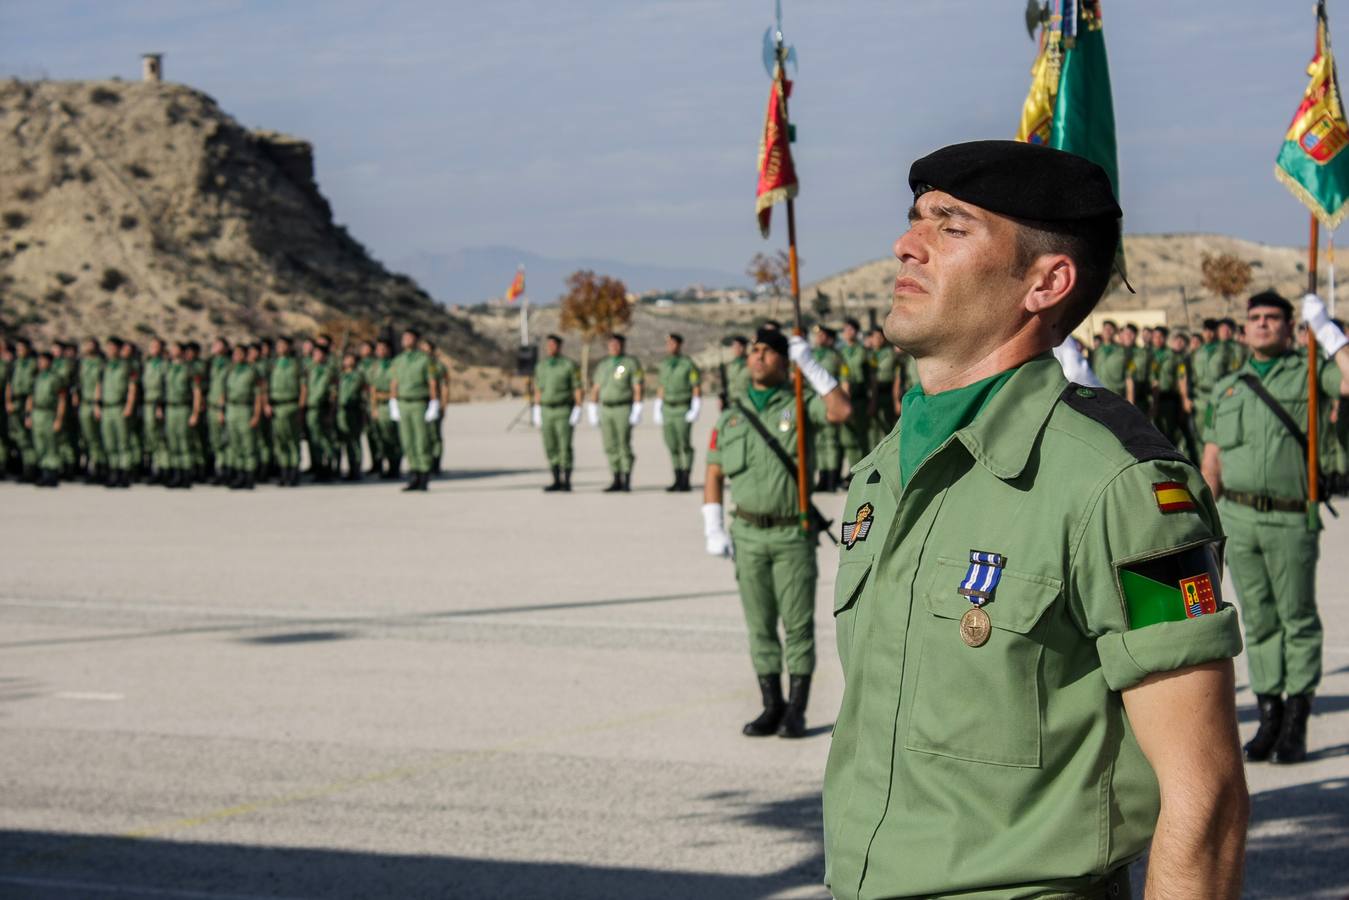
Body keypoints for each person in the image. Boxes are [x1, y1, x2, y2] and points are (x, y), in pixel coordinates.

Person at [823, 141, 1247, 899]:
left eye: (951, 227)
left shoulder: (1119, 485)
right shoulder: (885, 467)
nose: (904, 243)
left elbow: (1204, 793)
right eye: (915, 217)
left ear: (1046, 282)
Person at [1201, 290, 1348, 764]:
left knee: (1297, 618)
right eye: (1255, 318)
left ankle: (1297, 721)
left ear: (1290, 327)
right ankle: (1269, 714)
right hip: (1240, 519)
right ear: (1243, 329)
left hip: (1290, 516)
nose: (1262, 324)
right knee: (1259, 620)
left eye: (1273, 318)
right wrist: (1202, 524)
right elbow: (1213, 460)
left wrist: (1328, 332)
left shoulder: (1309, 373)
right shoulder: (1228, 387)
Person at [701, 327, 850, 738]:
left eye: (769, 351)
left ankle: (796, 711)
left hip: (791, 535)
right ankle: (772, 705)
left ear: (784, 361)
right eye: (754, 350)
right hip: (747, 534)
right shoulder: (732, 415)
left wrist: (811, 364)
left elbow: (840, 412)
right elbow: (713, 471)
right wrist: (712, 525)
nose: (759, 356)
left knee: (798, 627)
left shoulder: (801, 405)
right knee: (760, 625)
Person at [587, 333, 643, 492]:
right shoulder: (603, 365)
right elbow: (596, 387)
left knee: (623, 444)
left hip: (623, 408)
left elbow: (637, 386)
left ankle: (626, 477)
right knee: (609, 445)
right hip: (606, 409)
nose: (614, 347)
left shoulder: (629, 363)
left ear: (623, 345)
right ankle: (616, 477)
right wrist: (592, 407)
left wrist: (638, 408)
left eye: (617, 344)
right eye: (611, 344)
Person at [389, 327, 439, 492]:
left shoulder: (425, 359)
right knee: (407, 441)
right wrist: (393, 402)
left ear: (416, 340)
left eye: (409, 337)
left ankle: (424, 475)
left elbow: (432, 382)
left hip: (419, 403)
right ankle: (414, 474)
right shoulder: (398, 360)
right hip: (403, 403)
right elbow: (394, 382)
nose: (406, 340)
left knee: (421, 440)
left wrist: (434, 403)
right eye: (404, 337)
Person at [531, 333, 582, 492]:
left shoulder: (569, 365)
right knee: (550, 445)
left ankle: (566, 480)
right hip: (546, 410)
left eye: (554, 345)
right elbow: (538, 388)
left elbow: (577, 387)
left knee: (564, 445)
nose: (551, 347)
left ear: (559, 346)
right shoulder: (541, 366)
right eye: (549, 345)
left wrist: (579, 407)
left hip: (563, 410)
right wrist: (537, 408)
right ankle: (555, 479)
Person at [654, 332, 702, 492]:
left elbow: (696, 385)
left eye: (673, 343)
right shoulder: (665, 364)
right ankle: (677, 477)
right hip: (668, 408)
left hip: (682, 408)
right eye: (668, 344)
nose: (670, 347)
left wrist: (695, 406)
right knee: (671, 444)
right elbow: (661, 386)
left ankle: (686, 478)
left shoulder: (687, 364)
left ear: (680, 345)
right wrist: (658, 406)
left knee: (684, 444)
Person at [95, 336, 136, 488]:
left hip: (120, 407)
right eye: (108, 347)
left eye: (112, 347)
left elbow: (132, 388)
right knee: (109, 441)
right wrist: (97, 404)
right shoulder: (104, 366)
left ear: (119, 349)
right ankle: (113, 471)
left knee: (123, 441)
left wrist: (129, 406)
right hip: (106, 407)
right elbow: (99, 385)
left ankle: (124, 472)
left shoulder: (126, 366)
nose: (110, 350)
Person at [810, 326, 846, 491]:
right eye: (817, 335)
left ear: (830, 337)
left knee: (831, 441)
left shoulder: (836, 356)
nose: (818, 338)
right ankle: (822, 478)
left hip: (831, 401)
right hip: (815, 402)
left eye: (822, 335)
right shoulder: (812, 356)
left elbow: (844, 378)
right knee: (819, 442)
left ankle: (832, 478)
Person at [162, 341, 202, 488]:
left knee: (185, 442)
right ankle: (176, 473)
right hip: (170, 408)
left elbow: (196, 392)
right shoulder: (169, 368)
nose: (172, 350)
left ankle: (186, 474)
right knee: (173, 442)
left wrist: (195, 413)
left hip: (183, 408)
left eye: (175, 348)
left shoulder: (190, 369)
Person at [223, 343, 262, 490]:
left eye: (239, 354)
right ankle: (239, 475)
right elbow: (225, 392)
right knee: (235, 444)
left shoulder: (252, 371)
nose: (236, 356)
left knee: (248, 444)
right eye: (235, 354)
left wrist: (256, 415)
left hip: (246, 408)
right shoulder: (231, 371)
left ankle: (249, 476)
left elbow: (258, 395)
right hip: (232, 408)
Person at [25, 351, 67, 488]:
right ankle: (44, 472)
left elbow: (61, 399)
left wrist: (59, 419)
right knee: (39, 443)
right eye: (39, 361)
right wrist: (28, 415)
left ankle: (52, 474)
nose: (41, 363)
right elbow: (30, 397)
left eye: (43, 361)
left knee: (51, 444)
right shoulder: (36, 377)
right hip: (37, 413)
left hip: (49, 413)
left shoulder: (56, 378)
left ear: (50, 362)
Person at [267, 335, 304, 487]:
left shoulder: (296, 364)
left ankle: (294, 471)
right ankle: (284, 472)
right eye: (278, 345)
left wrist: (301, 407)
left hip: (291, 405)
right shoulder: (273, 364)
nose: (280, 347)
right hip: (276, 406)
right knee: (280, 441)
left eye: (283, 345)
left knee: (292, 440)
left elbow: (303, 387)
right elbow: (267, 386)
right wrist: (267, 404)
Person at [837, 318, 870, 477]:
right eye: (845, 329)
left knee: (862, 435)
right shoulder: (840, 352)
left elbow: (872, 377)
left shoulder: (863, 351)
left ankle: (863, 469)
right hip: (844, 397)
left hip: (860, 395)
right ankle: (852, 469)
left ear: (856, 332)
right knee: (847, 437)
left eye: (851, 329)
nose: (848, 332)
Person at [367, 337, 401, 479]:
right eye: (378, 348)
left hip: (391, 403)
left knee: (392, 437)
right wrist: (373, 407)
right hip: (378, 404)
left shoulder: (395, 365)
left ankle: (394, 466)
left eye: (383, 348)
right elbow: (372, 387)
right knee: (380, 438)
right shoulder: (374, 367)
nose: (379, 351)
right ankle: (384, 465)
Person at [5, 338, 37, 482]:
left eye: (21, 349)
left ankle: (30, 470)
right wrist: (8, 401)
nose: (19, 351)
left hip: (27, 402)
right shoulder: (15, 364)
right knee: (18, 436)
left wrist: (29, 411)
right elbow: (9, 384)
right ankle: (21, 467)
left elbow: (33, 390)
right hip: (15, 402)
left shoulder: (33, 364)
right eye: (18, 349)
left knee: (27, 438)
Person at [304, 342, 336, 482]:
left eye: (319, 353)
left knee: (325, 440)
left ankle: (328, 466)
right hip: (311, 409)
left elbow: (333, 394)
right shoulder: (309, 369)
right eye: (315, 353)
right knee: (314, 440)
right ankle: (318, 467)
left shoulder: (328, 371)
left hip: (323, 409)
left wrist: (330, 412)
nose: (316, 356)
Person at [76, 338, 107, 484]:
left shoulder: (101, 363)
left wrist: (97, 403)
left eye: (90, 344)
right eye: (85, 344)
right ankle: (91, 466)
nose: (87, 347)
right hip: (84, 403)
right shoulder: (82, 363)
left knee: (97, 438)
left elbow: (99, 384)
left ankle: (100, 468)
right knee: (87, 438)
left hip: (94, 403)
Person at [336, 351, 366, 480]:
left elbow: (351, 393)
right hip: (341, 412)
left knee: (354, 442)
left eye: (350, 357)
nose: (347, 360)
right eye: (346, 357)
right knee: (344, 441)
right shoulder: (341, 375)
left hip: (353, 411)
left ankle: (356, 468)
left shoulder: (357, 376)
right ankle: (346, 467)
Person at [866, 327, 897, 446]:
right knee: (872, 429)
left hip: (886, 393)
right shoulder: (868, 354)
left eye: (880, 337)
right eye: (874, 337)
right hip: (869, 395)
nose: (877, 340)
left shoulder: (890, 353)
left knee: (887, 428)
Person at [722, 335, 751, 407]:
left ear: (743, 348)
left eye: (737, 347)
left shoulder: (751, 364)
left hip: (748, 403)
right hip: (733, 403)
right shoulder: (732, 365)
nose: (734, 349)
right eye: (733, 347)